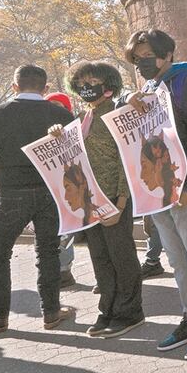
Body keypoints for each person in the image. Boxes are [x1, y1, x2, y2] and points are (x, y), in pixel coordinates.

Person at [125, 29, 187, 359]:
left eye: (147, 55)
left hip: (185, 191)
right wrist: (128, 101)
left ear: (167, 54)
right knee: (177, 260)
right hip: (158, 191)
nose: (142, 62)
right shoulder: (148, 89)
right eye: (136, 57)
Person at [0, 66, 76, 333]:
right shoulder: (60, 114)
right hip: (50, 193)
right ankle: (51, 313)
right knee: (48, 252)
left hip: (10, 194)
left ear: (14, 86)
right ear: (46, 88)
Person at [67, 61, 144, 338]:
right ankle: (107, 310)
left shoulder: (117, 114)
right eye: (82, 83)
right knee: (100, 258)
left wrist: (121, 203)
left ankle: (130, 312)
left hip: (113, 197)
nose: (87, 88)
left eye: (93, 82)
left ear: (107, 85)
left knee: (122, 257)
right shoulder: (82, 118)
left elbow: (128, 159)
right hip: (89, 199)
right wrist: (58, 134)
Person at [47, 91, 79, 289]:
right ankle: (62, 270)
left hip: (75, 186)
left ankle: (65, 269)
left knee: (70, 231)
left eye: (58, 107)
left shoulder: (75, 128)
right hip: (54, 189)